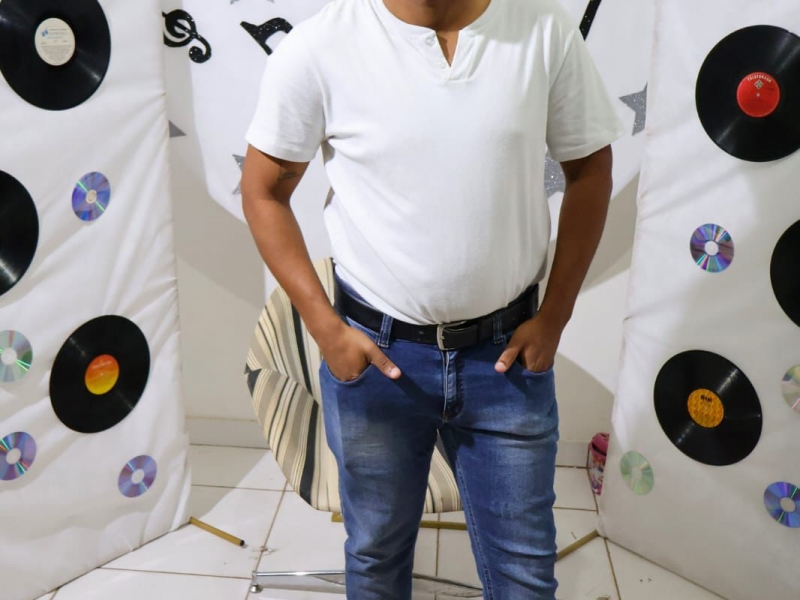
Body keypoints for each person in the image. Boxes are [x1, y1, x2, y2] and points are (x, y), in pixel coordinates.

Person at [241, 0, 624, 597]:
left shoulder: (544, 33)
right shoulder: (319, 47)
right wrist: (326, 330)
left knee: (525, 575)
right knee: (375, 558)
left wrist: (555, 316)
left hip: (507, 363)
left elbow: (590, 170)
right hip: (377, 363)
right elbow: (263, 191)